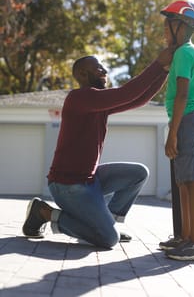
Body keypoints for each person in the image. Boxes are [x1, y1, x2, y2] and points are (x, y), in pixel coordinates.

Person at [22, 48, 173, 249]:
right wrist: (157, 63)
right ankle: (45, 212)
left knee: (138, 173)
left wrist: (164, 70)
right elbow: (127, 93)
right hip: (68, 185)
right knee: (108, 240)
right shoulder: (80, 98)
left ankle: (109, 222)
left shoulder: (97, 102)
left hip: (89, 180)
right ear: (83, 75)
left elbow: (138, 99)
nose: (104, 71)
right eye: (98, 68)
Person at [159, 0, 194, 261]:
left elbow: (182, 95)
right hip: (185, 120)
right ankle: (186, 237)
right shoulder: (183, 53)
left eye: (167, 27)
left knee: (191, 180)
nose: (164, 32)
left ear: (181, 27)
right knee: (183, 181)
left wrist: (172, 132)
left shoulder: (184, 53)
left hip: (186, 119)